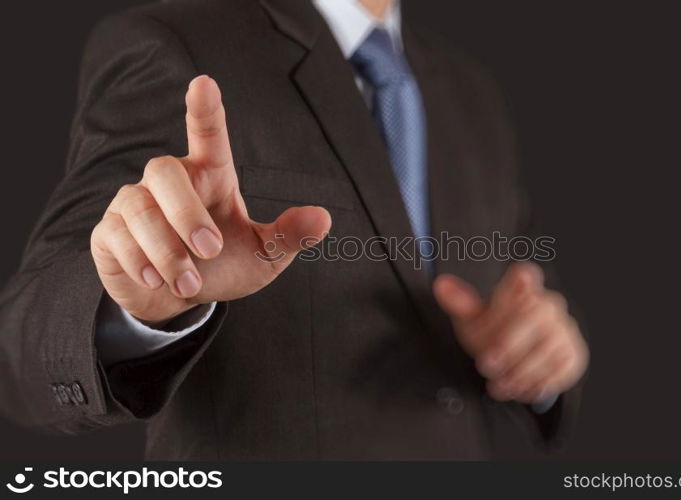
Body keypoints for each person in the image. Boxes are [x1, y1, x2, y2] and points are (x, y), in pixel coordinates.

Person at [0, 0, 588, 459]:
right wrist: (135, 307)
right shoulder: (176, 46)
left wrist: (540, 357)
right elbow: (22, 352)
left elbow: (527, 291)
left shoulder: (471, 90)